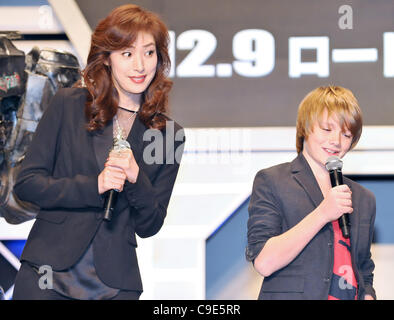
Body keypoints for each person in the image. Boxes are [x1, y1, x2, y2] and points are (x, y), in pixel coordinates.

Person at [12, 4, 184, 300]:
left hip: (114, 284)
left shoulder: (166, 134)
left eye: (149, 52)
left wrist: (136, 177)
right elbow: (28, 184)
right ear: (106, 59)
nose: (140, 66)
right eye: (127, 54)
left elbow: (150, 224)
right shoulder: (69, 104)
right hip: (47, 273)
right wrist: (96, 186)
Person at [246, 86, 376, 300]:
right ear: (305, 127)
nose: (336, 140)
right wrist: (323, 213)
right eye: (327, 129)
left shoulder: (364, 198)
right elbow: (264, 262)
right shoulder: (272, 181)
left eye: (346, 134)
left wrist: (368, 294)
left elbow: (363, 269)